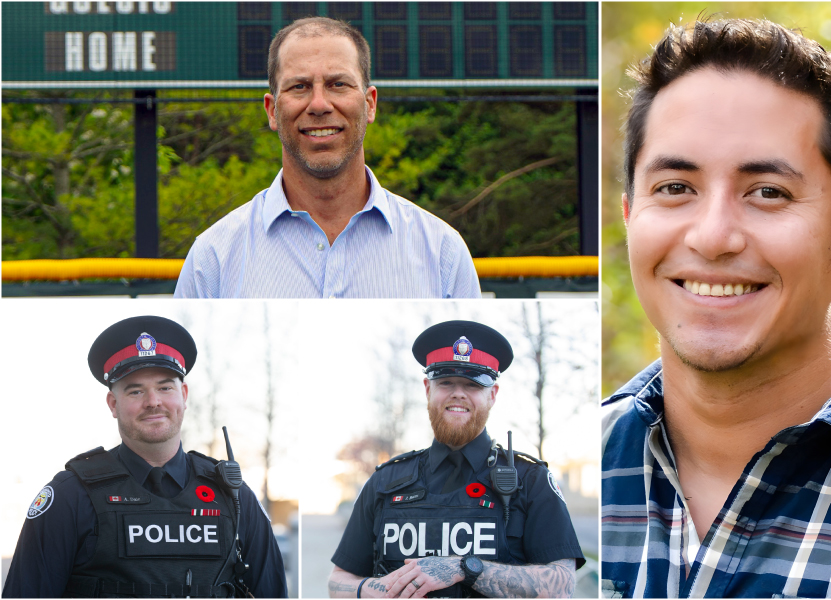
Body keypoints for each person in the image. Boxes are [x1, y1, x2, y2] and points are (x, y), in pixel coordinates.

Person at [601, 18, 831, 598]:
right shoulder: (574, 474)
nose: (713, 237)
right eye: (675, 188)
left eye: (768, 192)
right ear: (630, 216)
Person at [175, 17, 480, 299]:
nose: (319, 104)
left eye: (338, 84)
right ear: (271, 110)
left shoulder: (442, 253)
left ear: (370, 104)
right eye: (299, 87)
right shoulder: (212, 257)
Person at [2, 316, 287, 598]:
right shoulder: (70, 497)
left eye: (165, 387)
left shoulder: (233, 497)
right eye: (136, 391)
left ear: (184, 395)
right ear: (113, 404)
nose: (153, 402)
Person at [328, 320, 584, 598]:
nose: (458, 393)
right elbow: (338, 581)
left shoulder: (530, 480)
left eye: (472, 384)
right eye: (446, 382)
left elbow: (563, 586)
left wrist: (464, 568)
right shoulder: (384, 481)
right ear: (428, 389)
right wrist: (369, 590)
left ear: (492, 395)